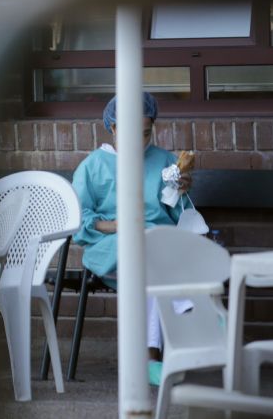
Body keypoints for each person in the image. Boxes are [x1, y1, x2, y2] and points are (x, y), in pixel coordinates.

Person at [71, 92, 192, 387]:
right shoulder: (93, 166)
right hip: (113, 246)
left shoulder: (166, 162)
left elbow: (181, 217)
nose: (139, 141)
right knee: (145, 253)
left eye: (146, 133)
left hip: (159, 246)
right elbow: (78, 220)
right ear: (113, 128)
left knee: (157, 254)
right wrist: (117, 224)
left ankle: (151, 359)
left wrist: (182, 192)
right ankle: (188, 314)